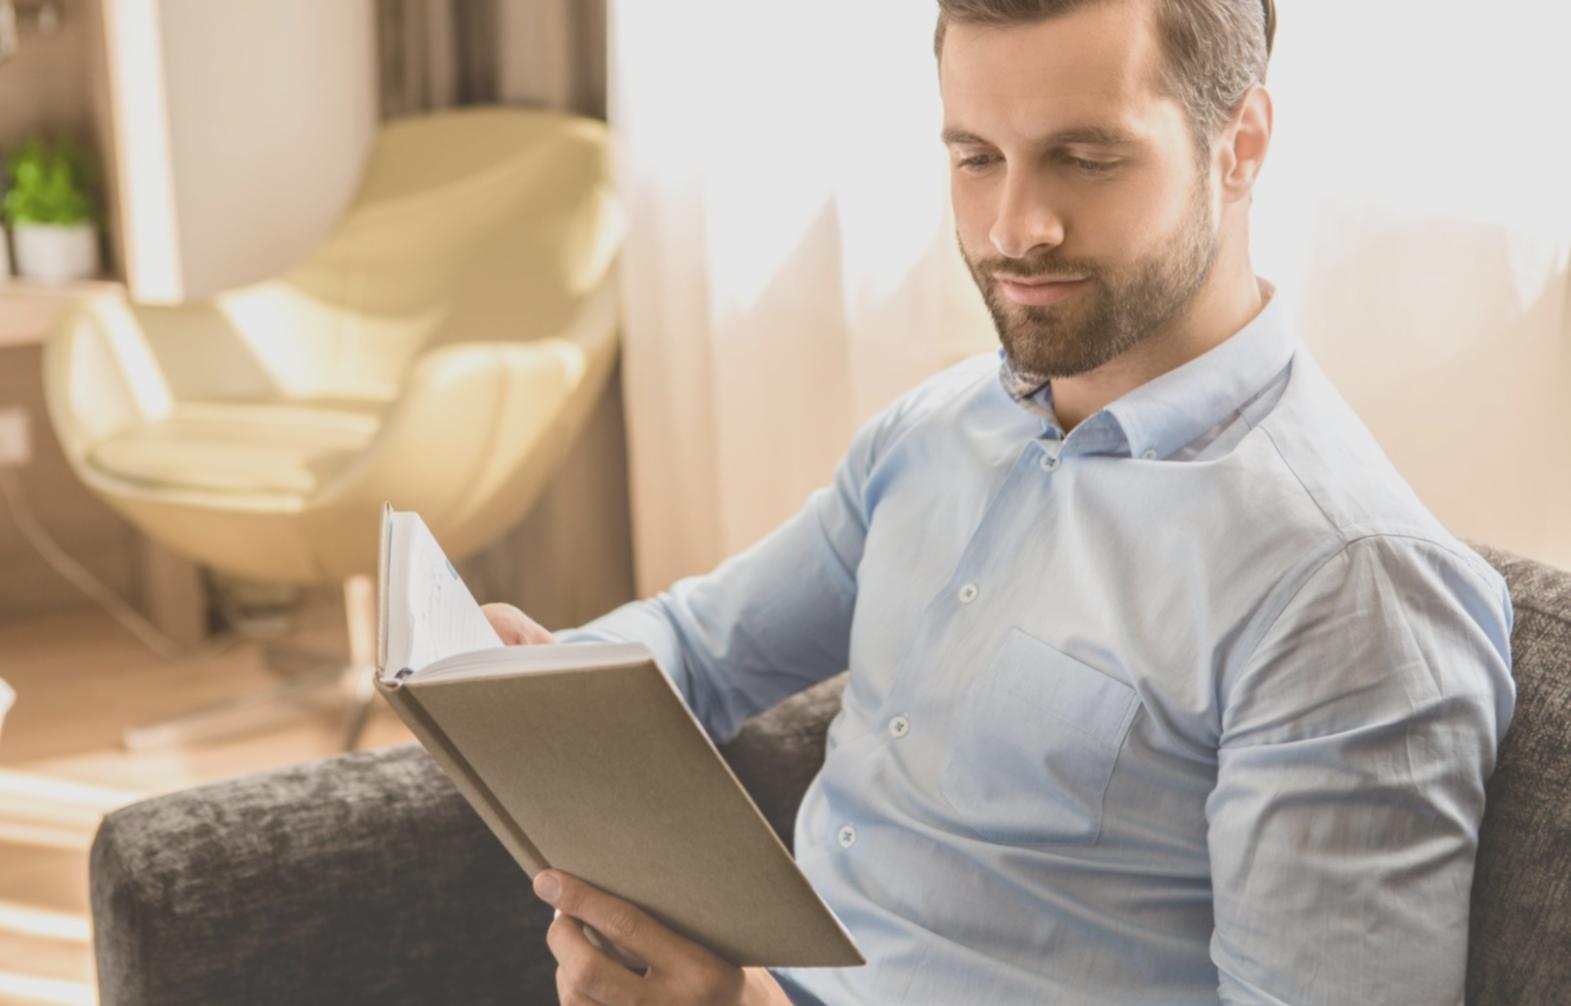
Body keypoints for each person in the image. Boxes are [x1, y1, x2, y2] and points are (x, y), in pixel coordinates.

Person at [485, 0, 1517, 1002]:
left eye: (1086, 158)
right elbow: (700, 646)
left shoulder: (1343, 591)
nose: (1014, 229)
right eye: (975, 157)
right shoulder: (940, 428)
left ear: (1238, 142)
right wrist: (530, 685)